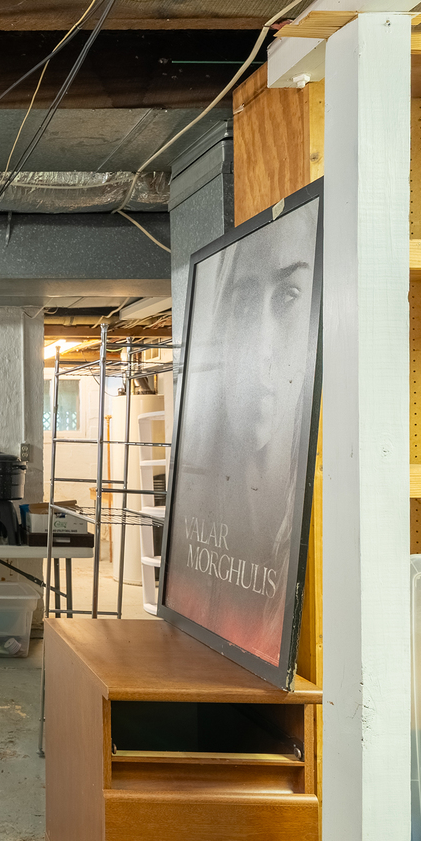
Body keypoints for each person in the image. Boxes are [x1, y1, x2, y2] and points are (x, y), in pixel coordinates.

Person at [164, 197, 321, 670]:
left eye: (289, 297)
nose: (263, 349)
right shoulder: (202, 510)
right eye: (246, 301)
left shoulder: (311, 513)